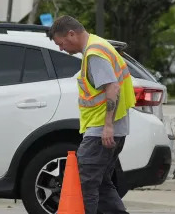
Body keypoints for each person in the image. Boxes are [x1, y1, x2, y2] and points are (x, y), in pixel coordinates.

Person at [48, 16, 136, 214]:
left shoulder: (95, 53)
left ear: (71, 34)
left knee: (84, 183)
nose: (62, 49)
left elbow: (112, 87)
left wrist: (107, 126)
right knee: (102, 184)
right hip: (109, 129)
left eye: (61, 43)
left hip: (101, 132)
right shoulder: (98, 45)